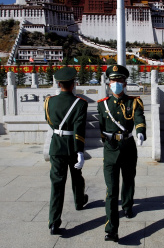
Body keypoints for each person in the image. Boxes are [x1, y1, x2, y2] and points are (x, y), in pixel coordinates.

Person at [97, 65, 147, 242]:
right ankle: (111, 230)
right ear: (109, 83)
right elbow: (101, 126)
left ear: (125, 83)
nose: (116, 83)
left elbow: (139, 117)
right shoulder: (102, 104)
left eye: (119, 80)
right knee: (111, 191)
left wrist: (141, 131)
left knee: (128, 179)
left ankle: (127, 205)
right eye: (113, 80)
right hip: (110, 149)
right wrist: (106, 140)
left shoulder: (134, 102)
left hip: (127, 147)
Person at [44, 67, 88, 235]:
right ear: (73, 84)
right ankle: (79, 201)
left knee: (57, 184)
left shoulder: (49, 102)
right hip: (72, 145)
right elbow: (79, 129)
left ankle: (54, 222)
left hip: (56, 145)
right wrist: (80, 152)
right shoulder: (80, 103)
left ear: (58, 83)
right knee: (77, 176)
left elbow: (49, 120)